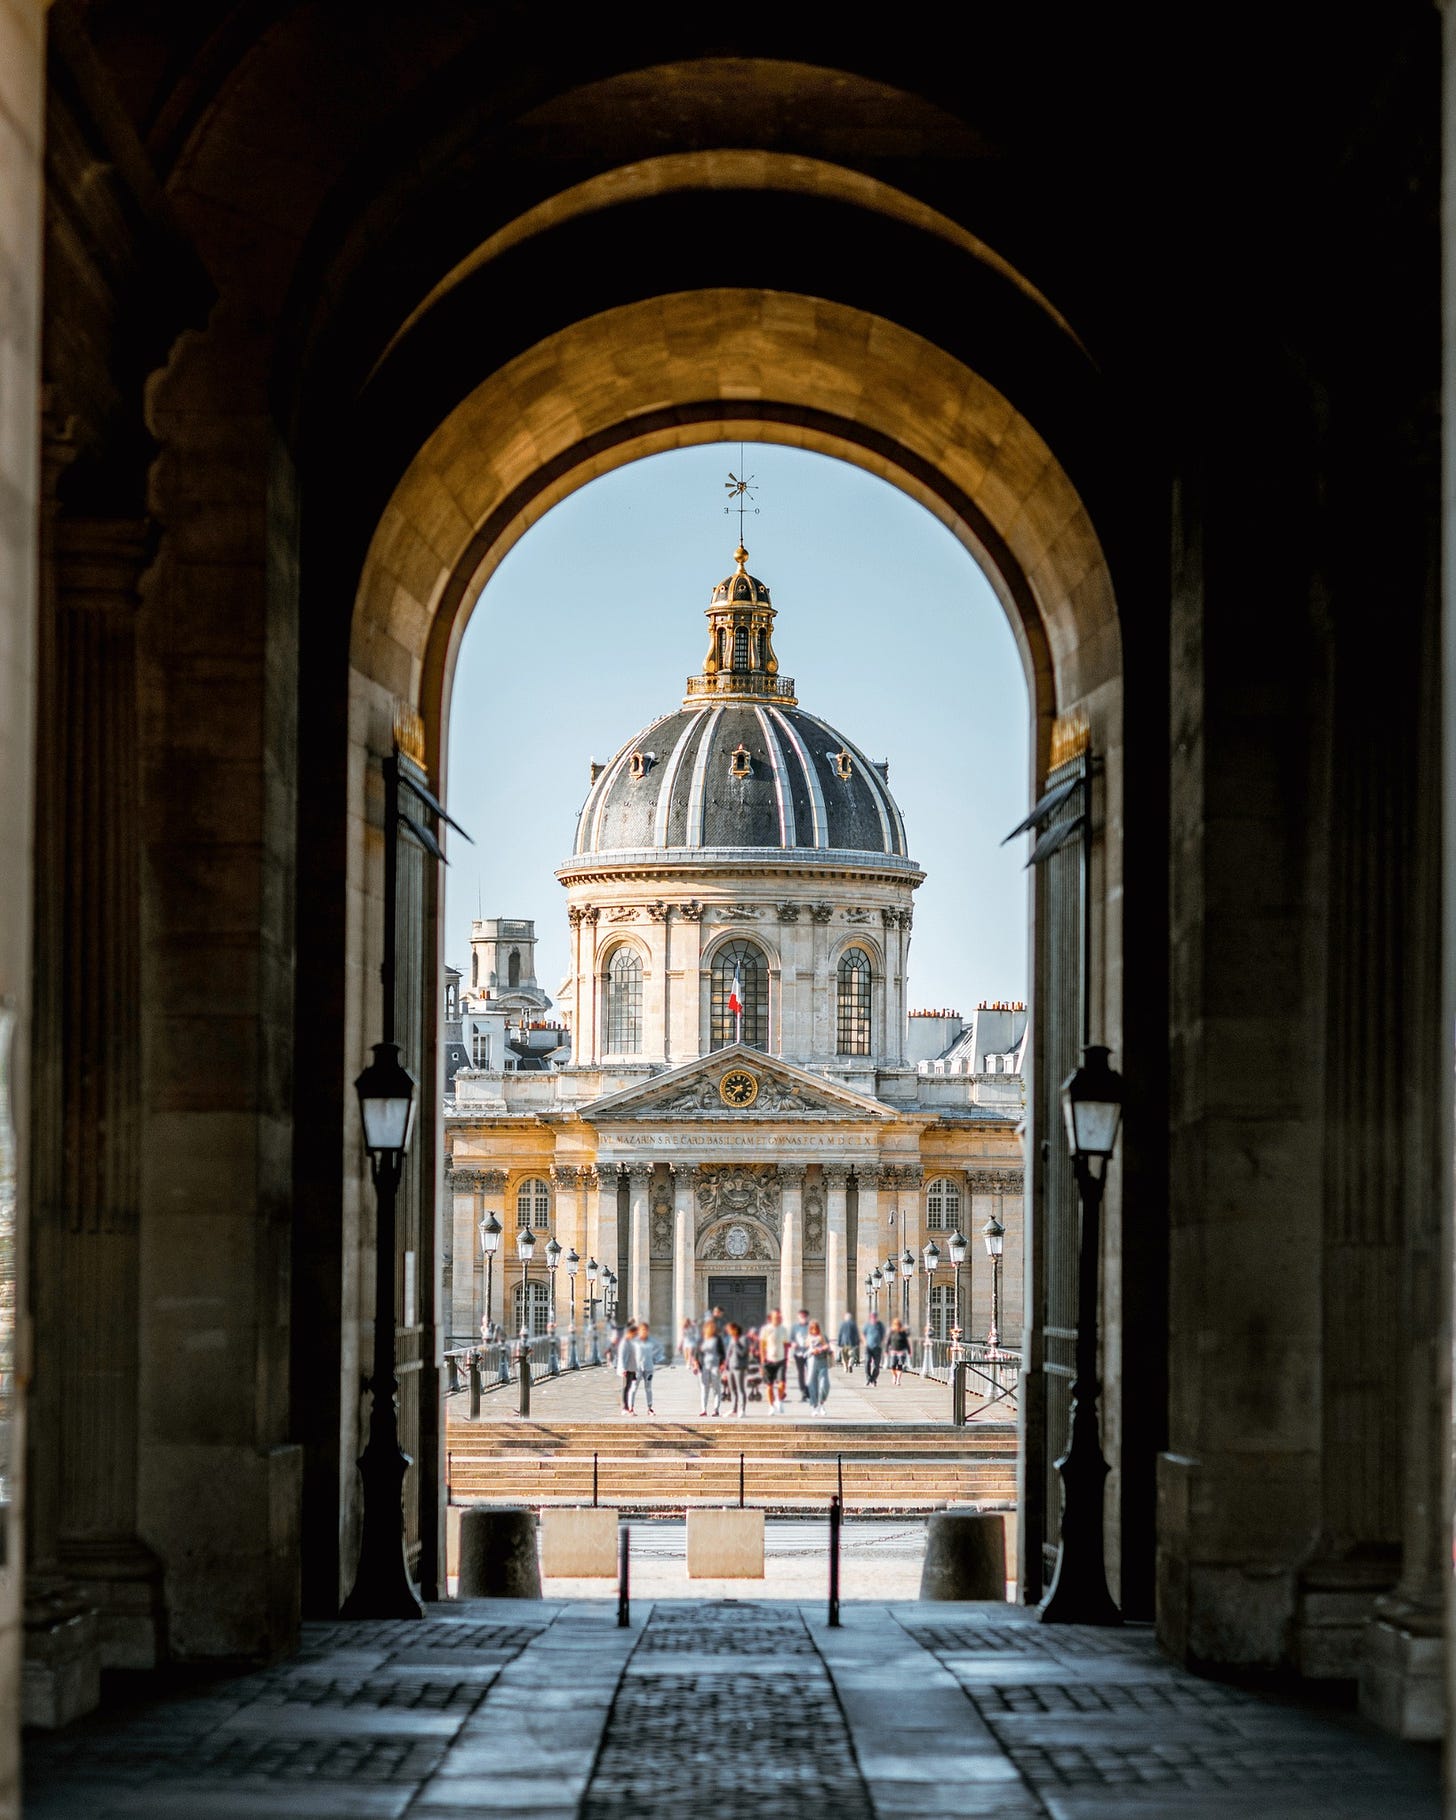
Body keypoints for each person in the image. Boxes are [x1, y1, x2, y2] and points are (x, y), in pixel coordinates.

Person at [759, 1306, 791, 1414]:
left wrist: (786, 1358)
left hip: (781, 1359)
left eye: (779, 1316)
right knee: (769, 1386)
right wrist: (762, 1361)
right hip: (769, 1360)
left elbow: (786, 1345)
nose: (778, 1318)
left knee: (782, 1384)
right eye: (776, 1316)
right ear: (771, 1317)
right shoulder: (766, 1329)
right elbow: (762, 1345)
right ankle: (771, 1405)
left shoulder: (783, 1329)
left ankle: (779, 1400)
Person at [697, 1319, 725, 1416]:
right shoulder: (701, 1339)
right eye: (708, 1327)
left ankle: (716, 1410)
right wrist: (696, 1364)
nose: (710, 1329)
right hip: (704, 1366)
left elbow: (722, 1352)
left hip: (715, 1366)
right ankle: (703, 1409)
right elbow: (698, 1353)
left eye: (712, 1327)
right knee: (704, 1388)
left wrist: (722, 1364)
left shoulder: (717, 1339)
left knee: (716, 1388)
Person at [633, 1321, 662, 1414]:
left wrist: (655, 1358)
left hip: (649, 1368)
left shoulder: (651, 1341)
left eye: (646, 1330)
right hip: (637, 1368)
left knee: (648, 1388)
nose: (644, 1332)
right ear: (639, 1331)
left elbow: (659, 1348)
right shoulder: (635, 1341)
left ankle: (649, 1408)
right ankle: (630, 1408)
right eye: (642, 1330)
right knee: (634, 1387)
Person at [723, 1321, 750, 1418]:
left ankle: (742, 1409)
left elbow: (743, 1353)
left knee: (740, 1388)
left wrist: (736, 1343)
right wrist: (725, 1365)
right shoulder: (731, 1339)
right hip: (730, 1367)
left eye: (729, 1330)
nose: (728, 1332)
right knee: (732, 1389)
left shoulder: (743, 1339)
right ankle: (734, 1409)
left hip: (739, 1367)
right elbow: (728, 1353)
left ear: (735, 1329)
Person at [805, 1321, 833, 1411]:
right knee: (811, 1384)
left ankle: (821, 1401)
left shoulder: (823, 1337)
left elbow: (828, 1348)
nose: (814, 1331)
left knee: (825, 1384)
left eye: (816, 1328)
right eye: (812, 1329)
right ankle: (814, 1405)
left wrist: (822, 1349)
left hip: (822, 1363)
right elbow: (805, 1353)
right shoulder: (808, 1338)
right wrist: (812, 1351)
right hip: (812, 1363)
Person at [616, 1320, 641, 1413]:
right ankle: (625, 1407)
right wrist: (623, 1368)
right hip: (627, 1368)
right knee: (627, 1387)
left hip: (632, 1368)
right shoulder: (625, 1342)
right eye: (635, 1333)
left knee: (630, 1387)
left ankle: (628, 1406)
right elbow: (622, 1356)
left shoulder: (631, 1341)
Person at [791, 1307, 813, 1402]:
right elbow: (791, 1339)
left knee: (810, 1373)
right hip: (798, 1353)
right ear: (798, 1317)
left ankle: (809, 1390)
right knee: (801, 1373)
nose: (803, 1318)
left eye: (804, 1317)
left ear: (807, 1317)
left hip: (809, 1353)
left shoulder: (811, 1326)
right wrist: (793, 1343)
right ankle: (803, 1392)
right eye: (801, 1317)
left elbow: (816, 1336)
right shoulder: (795, 1327)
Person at [863, 1309, 887, 1386]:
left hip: (877, 1347)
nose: (873, 1318)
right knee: (867, 1362)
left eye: (875, 1317)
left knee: (876, 1365)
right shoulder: (867, 1325)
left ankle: (873, 1379)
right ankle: (868, 1378)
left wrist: (881, 1342)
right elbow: (863, 1334)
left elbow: (884, 1335)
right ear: (870, 1318)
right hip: (868, 1347)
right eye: (872, 1317)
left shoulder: (880, 1325)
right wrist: (865, 1342)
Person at [886, 1317, 911, 1386]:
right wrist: (886, 1350)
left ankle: (898, 1380)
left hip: (901, 1351)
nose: (896, 1326)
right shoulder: (892, 1332)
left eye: (898, 1325)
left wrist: (909, 1351)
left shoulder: (903, 1333)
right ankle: (894, 1375)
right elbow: (888, 1341)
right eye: (895, 1324)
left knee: (900, 1365)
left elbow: (906, 1342)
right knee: (893, 1365)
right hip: (894, 1351)